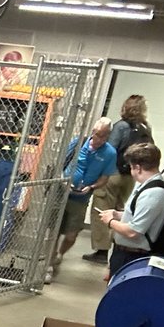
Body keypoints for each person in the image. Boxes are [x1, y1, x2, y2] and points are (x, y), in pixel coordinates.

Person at [47, 118, 117, 283]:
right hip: (61, 192)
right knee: (54, 231)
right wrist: (63, 180)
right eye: (95, 134)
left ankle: (60, 254)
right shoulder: (79, 143)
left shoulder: (110, 154)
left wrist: (91, 187)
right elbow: (60, 164)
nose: (97, 139)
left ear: (107, 136)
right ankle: (49, 266)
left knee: (71, 235)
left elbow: (105, 178)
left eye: (102, 136)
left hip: (81, 197)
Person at [85, 95, 151, 264]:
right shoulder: (145, 128)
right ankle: (118, 246)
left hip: (113, 175)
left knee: (102, 209)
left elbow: (110, 150)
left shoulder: (120, 126)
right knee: (122, 211)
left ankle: (101, 251)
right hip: (130, 177)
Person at [99, 142, 164, 280]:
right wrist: (118, 215)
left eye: (131, 167)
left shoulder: (154, 193)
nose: (131, 172)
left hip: (133, 256)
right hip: (125, 253)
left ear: (137, 168)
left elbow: (134, 231)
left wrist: (110, 222)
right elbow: (137, 216)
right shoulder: (145, 186)